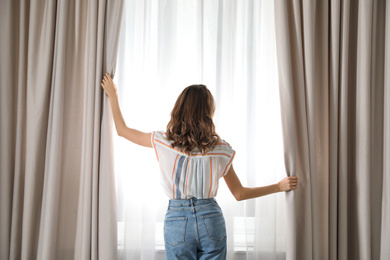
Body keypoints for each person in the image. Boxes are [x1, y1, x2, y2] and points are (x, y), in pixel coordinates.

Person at [101, 73, 298, 260]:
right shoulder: (220, 150)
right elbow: (239, 194)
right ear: (208, 113)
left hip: (177, 219)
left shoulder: (163, 142)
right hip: (210, 218)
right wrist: (278, 187)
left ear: (179, 109)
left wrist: (113, 96)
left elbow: (122, 130)